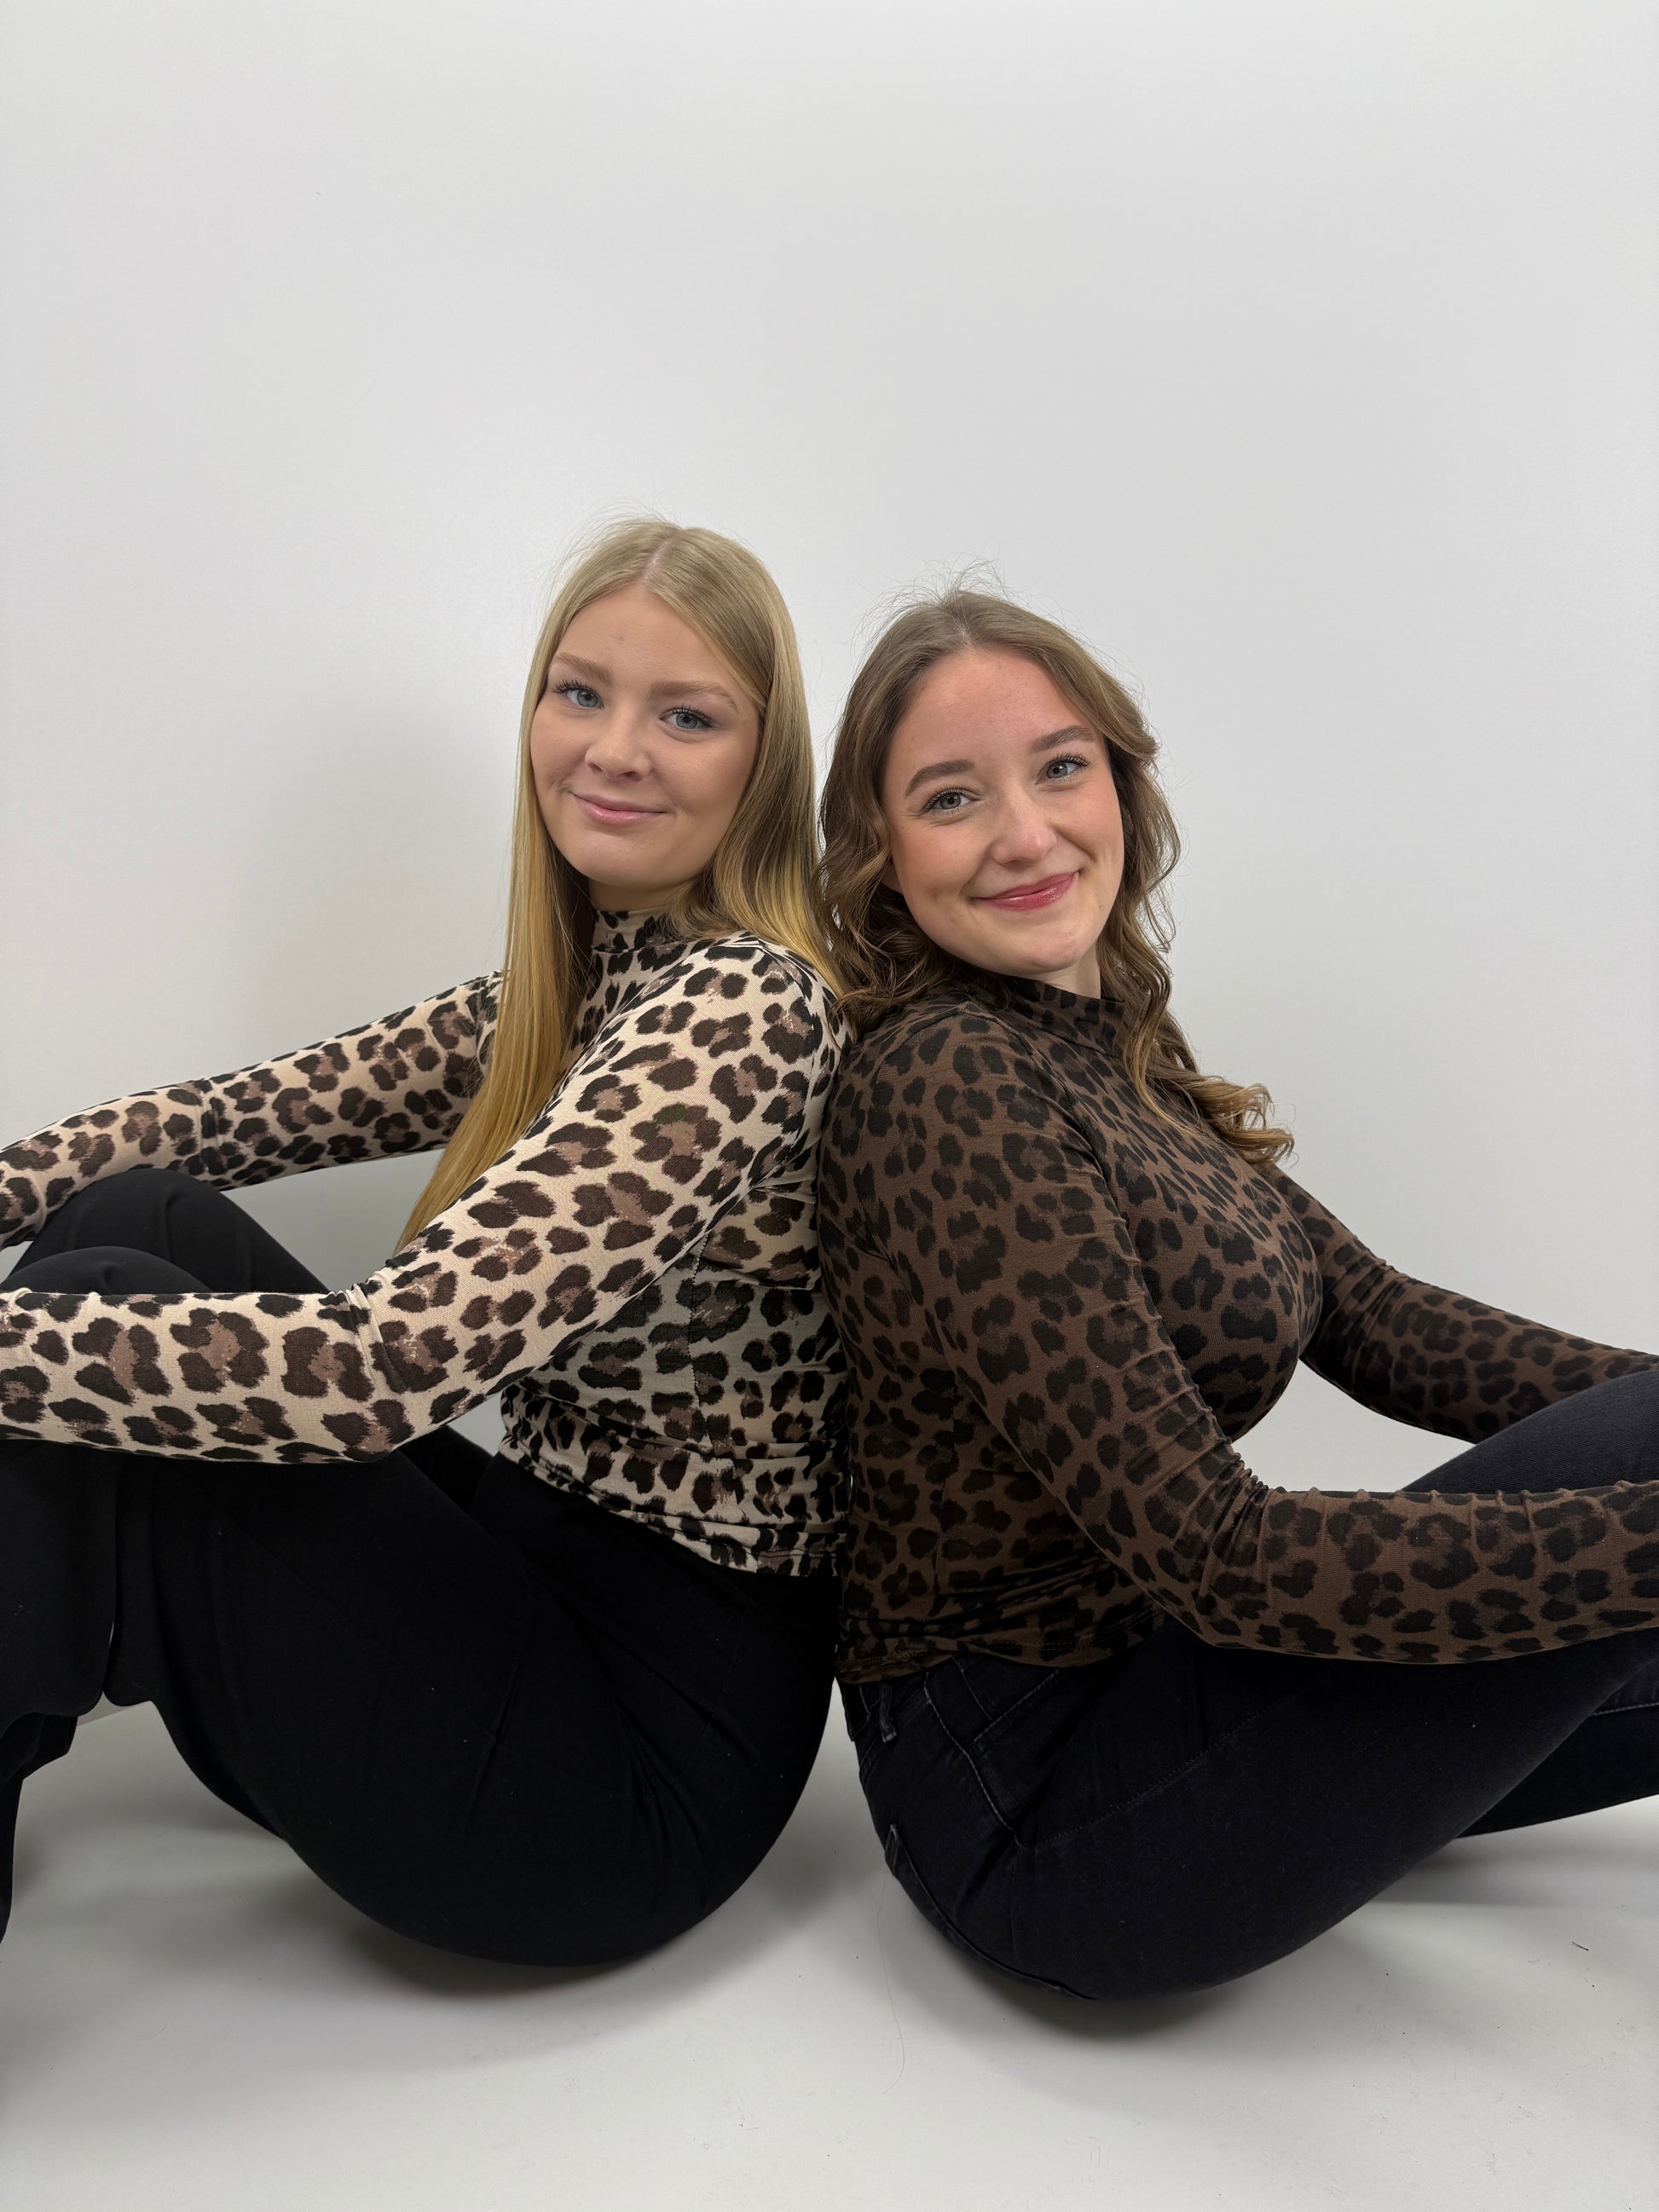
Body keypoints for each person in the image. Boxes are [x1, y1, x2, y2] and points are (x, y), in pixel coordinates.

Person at [0, 517, 848, 1968]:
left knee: (98, 1320)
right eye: (580, 692)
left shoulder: (747, 1009)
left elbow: (380, 1371)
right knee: (133, 1218)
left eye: (686, 716)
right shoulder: (581, 984)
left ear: (760, 767)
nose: (614, 750)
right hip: (535, 1575)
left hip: (629, 1776)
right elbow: (217, 1121)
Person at [814, 586, 1659, 2002]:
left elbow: (1381, 1322)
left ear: (1121, 789)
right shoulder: (947, 1083)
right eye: (951, 797)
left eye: (1058, 767)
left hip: (1183, 1689)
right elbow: (1213, 1551)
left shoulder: (1113, 1058)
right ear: (883, 854)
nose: (1023, 832)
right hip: (1039, 1805)